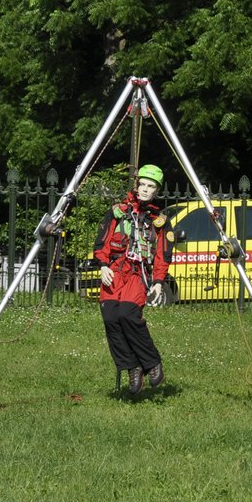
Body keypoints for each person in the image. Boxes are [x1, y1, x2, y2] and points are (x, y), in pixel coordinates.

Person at [92, 164, 171, 395]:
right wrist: (103, 265)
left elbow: (163, 253)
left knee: (127, 314)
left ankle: (152, 362)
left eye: (151, 186)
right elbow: (103, 239)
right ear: (136, 186)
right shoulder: (118, 211)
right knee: (110, 317)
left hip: (138, 273)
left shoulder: (159, 220)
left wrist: (158, 281)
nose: (145, 190)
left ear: (156, 190)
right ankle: (132, 367)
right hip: (115, 271)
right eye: (142, 185)